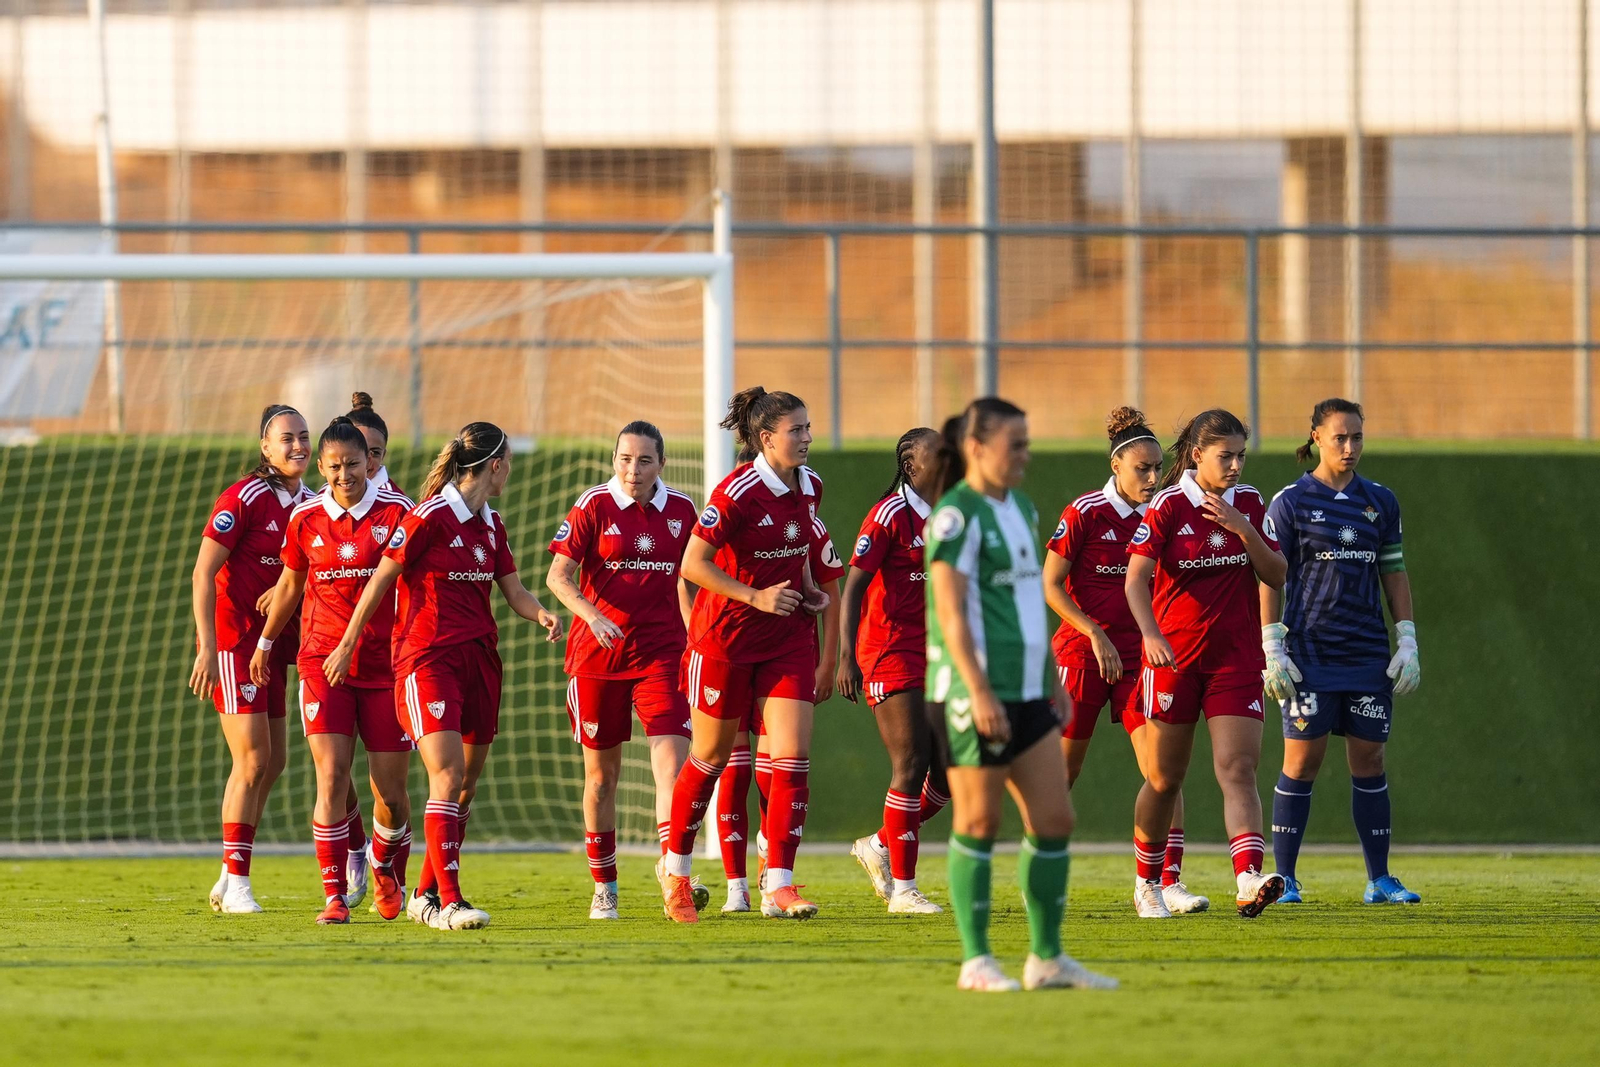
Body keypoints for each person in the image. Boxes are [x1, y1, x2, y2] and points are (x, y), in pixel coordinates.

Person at [326, 422, 563, 931]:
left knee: (465, 787)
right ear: (496, 465)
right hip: (427, 659)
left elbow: (513, 590)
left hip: (480, 660)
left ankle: (425, 892)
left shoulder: (491, 524)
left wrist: (540, 612)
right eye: (509, 465)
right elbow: (382, 578)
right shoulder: (429, 515)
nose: (509, 474)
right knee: (447, 774)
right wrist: (347, 643)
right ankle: (449, 901)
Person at [927, 397, 1117, 994]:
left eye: (1028, 443)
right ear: (977, 448)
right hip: (971, 690)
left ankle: (1047, 959)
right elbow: (951, 613)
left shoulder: (1022, 508)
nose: (1026, 455)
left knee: (1055, 818)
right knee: (980, 819)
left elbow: (1029, 605)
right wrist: (978, 689)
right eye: (1017, 444)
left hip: (1031, 687)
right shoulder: (956, 516)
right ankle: (976, 961)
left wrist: (1055, 679)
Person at [659, 387, 829, 923]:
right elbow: (692, 565)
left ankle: (778, 882)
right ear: (765, 437)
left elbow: (798, 549)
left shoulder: (811, 486)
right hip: (725, 641)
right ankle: (678, 872)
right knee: (708, 762)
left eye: (807, 427)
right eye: (796, 429)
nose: (806, 437)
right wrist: (756, 596)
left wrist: (809, 587)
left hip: (786, 639)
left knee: (793, 760)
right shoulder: (737, 491)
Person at [249, 416, 416, 924]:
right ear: (321, 467)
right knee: (331, 776)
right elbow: (291, 586)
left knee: (391, 795)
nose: (345, 475)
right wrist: (265, 642)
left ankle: (385, 865)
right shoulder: (304, 518)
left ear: (371, 462)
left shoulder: (398, 513)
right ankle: (335, 896)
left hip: (386, 666)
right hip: (322, 664)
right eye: (335, 466)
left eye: (354, 464)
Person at [1124, 408, 1288, 919]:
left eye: (1241, 454)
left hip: (1235, 661)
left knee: (1239, 769)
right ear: (1197, 455)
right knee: (1164, 778)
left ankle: (1248, 878)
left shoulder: (1251, 503)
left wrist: (1244, 529)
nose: (1236, 465)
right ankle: (1147, 883)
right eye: (1226, 455)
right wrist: (1150, 635)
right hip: (1175, 661)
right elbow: (1135, 581)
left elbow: (1277, 573)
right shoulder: (1170, 505)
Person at [1042, 407, 1206, 918]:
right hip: (1083, 655)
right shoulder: (1086, 512)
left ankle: (1163, 883)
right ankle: (1043, 875)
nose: (1154, 478)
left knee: (1164, 773)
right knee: (1060, 775)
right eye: (1143, 468)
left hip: (1143, 659)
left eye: (1160, 468)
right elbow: (1049, 584)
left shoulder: (1167, 514)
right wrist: (1094, 632)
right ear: (1116, 466)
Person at [1263, 398, 1422, 905]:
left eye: (1357, 437)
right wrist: (1272, 644)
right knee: (1302, 762)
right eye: (1339, 438)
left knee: (1370, 760)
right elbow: (1270, 574)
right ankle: (1285, 879)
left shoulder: (1381, 501)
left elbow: (1393, 572)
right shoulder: (1290, 502)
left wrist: (1408, 639)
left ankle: (1380, 880)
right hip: (1309, 656)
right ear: (1315, 438)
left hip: (1367, 656)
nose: (1350, 447)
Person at [545, 421, 703, 920]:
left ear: (662, 464)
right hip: (597, 659)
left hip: (661, 655)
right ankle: (605, 886)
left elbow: (690, 581)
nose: (632, 471)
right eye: (624, 459)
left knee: (673, 772)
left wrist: (699, 635)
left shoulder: (681, 511)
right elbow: (557, 576)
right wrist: (592, 616)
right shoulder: (593, 505)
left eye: (644, 461)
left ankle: (674, 876)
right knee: (602, 781)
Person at [190, 404, 315, 914]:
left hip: (276, 646)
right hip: (236, 641)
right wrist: (207, 645)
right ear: (265, 446)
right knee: (254, 760)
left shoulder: (313, 503)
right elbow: (203, 574)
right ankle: (239, 882)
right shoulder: (244, 497)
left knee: (276, 761)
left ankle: (228, 874)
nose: (297, 446)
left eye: (304, 436)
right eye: (286, 438)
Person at [838, 427, 949, 915]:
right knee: (911, 761)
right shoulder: (889, 515)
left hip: (941, 652)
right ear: (910, 466)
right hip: (890, 650)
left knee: (952, 771)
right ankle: (904, 890)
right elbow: (854, 587)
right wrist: (845, 657)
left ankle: (881, 844)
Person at [714, 515, 845, 914]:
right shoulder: (722, 520)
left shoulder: (807, 521)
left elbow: (831, 590)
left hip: (785, 660)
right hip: (730, 654)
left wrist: (827, 662)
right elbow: (688, 576)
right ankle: (736, 887)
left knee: (780, 773)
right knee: (731, 771)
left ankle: (776, 880)